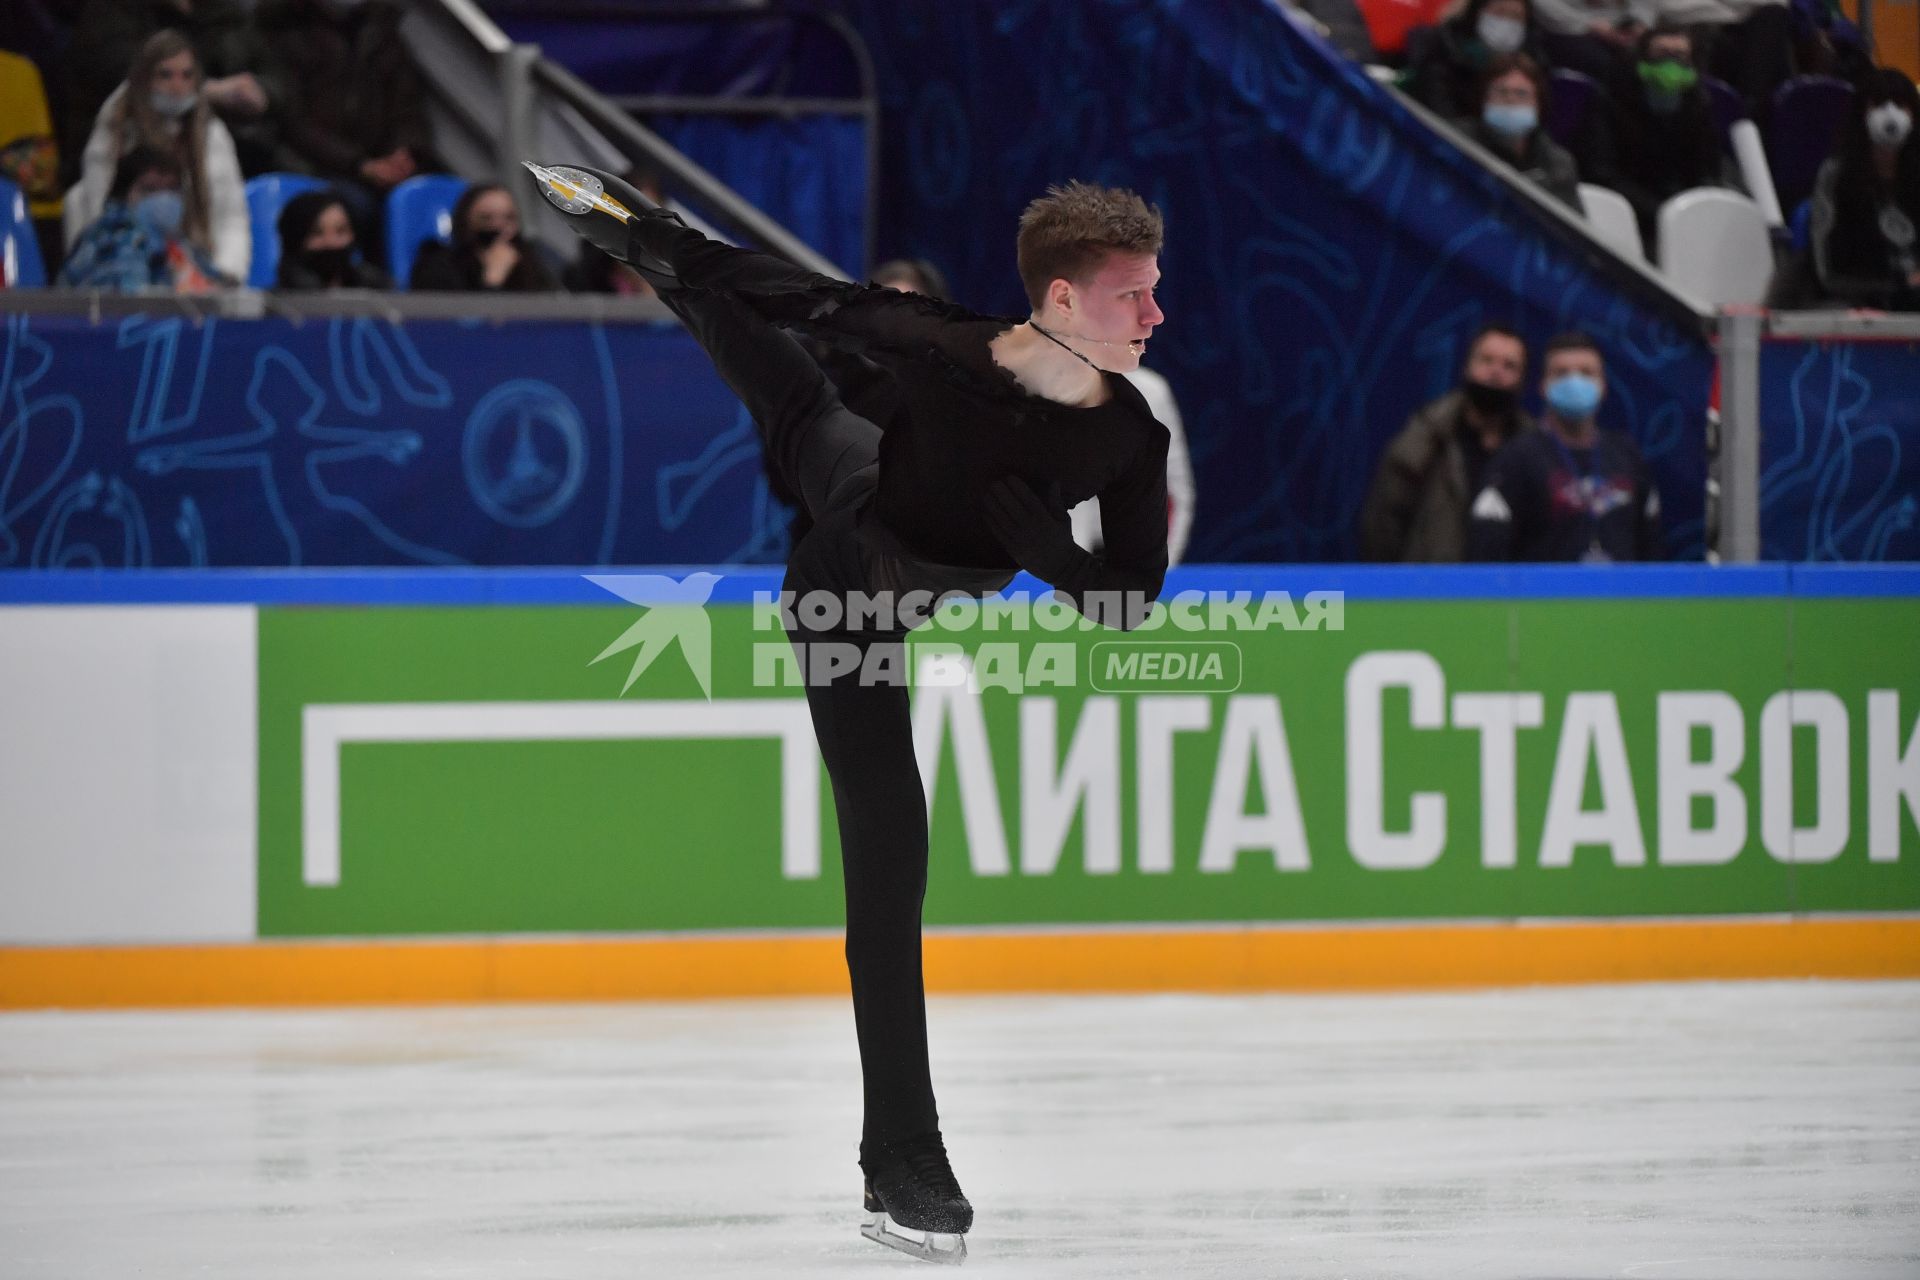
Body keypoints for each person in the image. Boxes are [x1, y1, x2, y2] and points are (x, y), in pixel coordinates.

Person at [534, 163, 1170, 1262]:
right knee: (892, 862)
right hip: (846, 586)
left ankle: (651, 240)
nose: (1156, 314)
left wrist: (1058, 563)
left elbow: (1131, 604)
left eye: (1157, 291)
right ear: (1060, 301)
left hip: (877, 487)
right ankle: (905, 1155)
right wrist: (684, 252)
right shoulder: (951, 346)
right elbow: (807, 297)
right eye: (1134, 294)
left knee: (799, 409)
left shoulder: (1130, 437)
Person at [65, 31, 248, 284]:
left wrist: (224, 277)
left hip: (196, 265)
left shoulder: (212, 136)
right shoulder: (115, 128)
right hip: (120, 260)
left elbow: (230, 218)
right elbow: (97, 209)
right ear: (144, 78)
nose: (177, 86)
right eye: (165, 75)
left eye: (187, 75)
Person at [1467, 331, 1663, 560]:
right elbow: (1488, 553)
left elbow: (1652, 547)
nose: (1574, 382)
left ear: (1603, 385)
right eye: (1561, 373)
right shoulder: (1515, 459)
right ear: (1542, 386)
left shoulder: (1627, 456)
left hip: (1619, 594)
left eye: (1586, 373)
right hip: (1542, 594)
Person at [256, 0, 434, 240]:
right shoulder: (285, 33)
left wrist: (404, 154)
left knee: (420, 202)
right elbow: (292, 122)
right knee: (355, 206)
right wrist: (359, 165)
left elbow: (407, 108)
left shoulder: (384, 35)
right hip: (308, 164)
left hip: (375, 163)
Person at [1360, 324, 1534, 561]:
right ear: (1467, 366)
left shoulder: (1535, 450)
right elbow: (1383, 525)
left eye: (1509, 366)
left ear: (1522, 379)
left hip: (1513, 593)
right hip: (1429, 591)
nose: (1496, 372)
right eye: (1486, 360)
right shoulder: (1425, 437)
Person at [64, 0, 287, 178]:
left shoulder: (223, 11)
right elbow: (119, 72)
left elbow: (277, 78)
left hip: (224, 143)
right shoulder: (112, 11)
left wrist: (262, 93)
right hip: (130, 150)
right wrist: (211, 92)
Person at [1586, 26, 1730, 251]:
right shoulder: (1609, 101)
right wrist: (1660, 211)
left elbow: (1707, 171)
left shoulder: (1700, 106)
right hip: (1627, 216)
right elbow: (1602, 173)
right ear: (1642, 58)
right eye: (1661, 53)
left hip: (1683, 217)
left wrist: (1689, 211)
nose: (1670, 62)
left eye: (1680, 55)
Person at [1808, 67, 1920, 312]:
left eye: (1901, 106)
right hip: (1859, 303)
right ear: (1862, 113)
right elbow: (1826, 267)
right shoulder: (1835, 176)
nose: (1890, 114)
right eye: (1878, 104)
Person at [1069, 364, 1197, 566]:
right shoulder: (1037, 384)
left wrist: (1160, 566)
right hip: (1051, 562)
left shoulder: (1151, 390)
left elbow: (1174, 491)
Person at [57, 146, 220, 292]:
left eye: (171, 189)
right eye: (150, 189)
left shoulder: (178, 242)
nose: (163, 199)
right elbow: (128, 302)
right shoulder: (112, 237)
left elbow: (219, 290)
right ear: (124, 195)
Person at [1404, 0, 1551, 122]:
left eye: (1516, 16)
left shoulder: (1534, 66)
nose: (1506, 21)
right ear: (1478, 12)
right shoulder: (1443, 48)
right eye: (1500, 12)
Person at [1471, 54, 1583, 210]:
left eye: (1521, 94)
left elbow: (1571, 227)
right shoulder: (1458, 144)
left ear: (1538, 105)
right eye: (1501, 92)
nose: (1510, 100)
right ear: (1484, 99)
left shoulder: (1558, 163)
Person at [409, 184, 562, 293]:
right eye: (486, 218)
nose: (499, 228)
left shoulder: (531, 261)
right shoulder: (438, 266)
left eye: (509, 218)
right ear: (465, 222)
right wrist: (492, 280)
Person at [273, 188, 391, 290]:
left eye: (341, 231)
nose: (331, 242)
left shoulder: (373, 285)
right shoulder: (276, 306)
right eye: (317, 233)